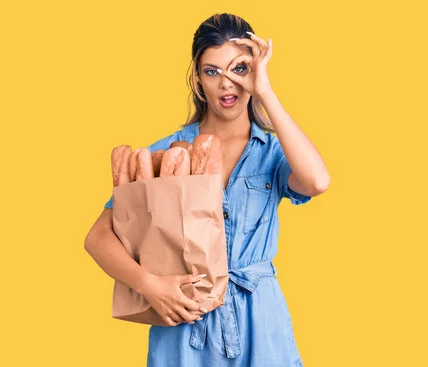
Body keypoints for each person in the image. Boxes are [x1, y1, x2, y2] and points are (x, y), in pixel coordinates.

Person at [84, 12, 330, 366]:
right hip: (186, 322)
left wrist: (266, 92)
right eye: (212, 72)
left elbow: (317, 181)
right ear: (198, 81)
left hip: (259, 323)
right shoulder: (167, 152)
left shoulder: (273, 152)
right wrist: (150, 285)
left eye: (239, 69)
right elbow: (97, 238)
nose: (226, 84)